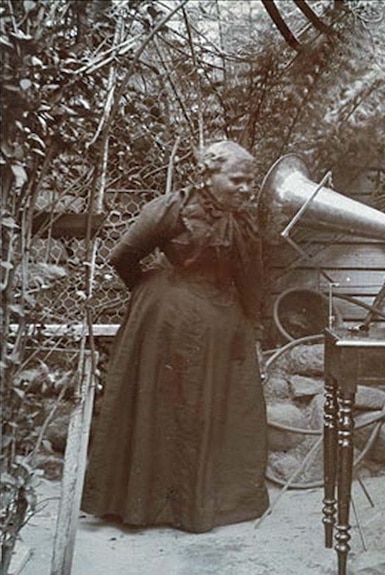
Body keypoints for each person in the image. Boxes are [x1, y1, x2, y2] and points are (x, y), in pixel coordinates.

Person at [82, 140, 270, 533]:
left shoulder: (243, 222)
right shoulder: (172, 209)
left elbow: (251, 281)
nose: (245, 189)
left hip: (220, 324)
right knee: (164, 407)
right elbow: (123, 256)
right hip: (166, 325)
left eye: (250, 183)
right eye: (237, 180)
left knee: (211, 409)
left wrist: (250, 324)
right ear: (208, 174)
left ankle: (199, 505)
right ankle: (145, 505)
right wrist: (153, 292)